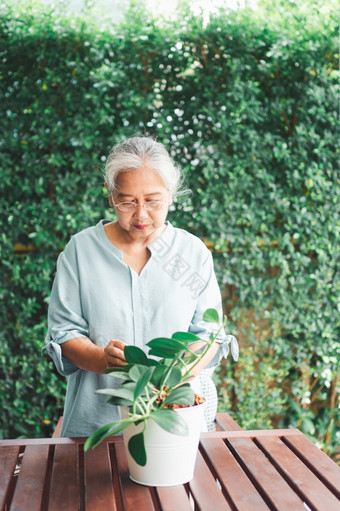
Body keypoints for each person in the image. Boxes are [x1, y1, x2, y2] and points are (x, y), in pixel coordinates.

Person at [43, 135, 238, 437]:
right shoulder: (81, 252)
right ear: (110, 196)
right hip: (98, 426)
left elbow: (208, 334)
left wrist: (174, 375)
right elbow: (64, 334)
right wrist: (101, 359)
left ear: (170, 195)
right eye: (127, 201)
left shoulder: (187, 256)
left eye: (153, 200)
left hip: (176, 425)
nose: (141, 214)